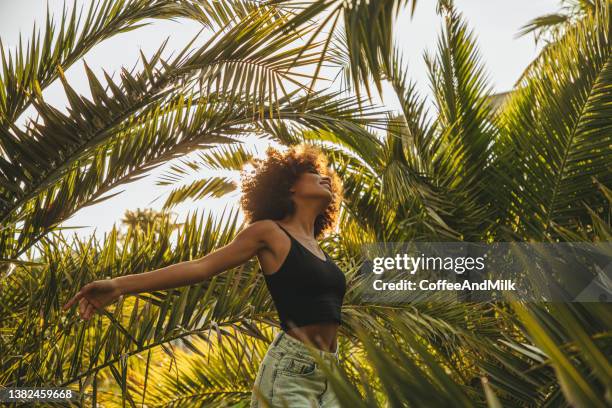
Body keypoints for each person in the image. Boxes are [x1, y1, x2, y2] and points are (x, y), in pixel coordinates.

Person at [62, 143, 347, 407]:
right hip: (292, 370)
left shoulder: (319, 251)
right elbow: (201, 267)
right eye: (312, 173)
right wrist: (119, 285)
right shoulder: (269, 232)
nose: (324, 177)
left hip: (331, 370)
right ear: (289, 186)